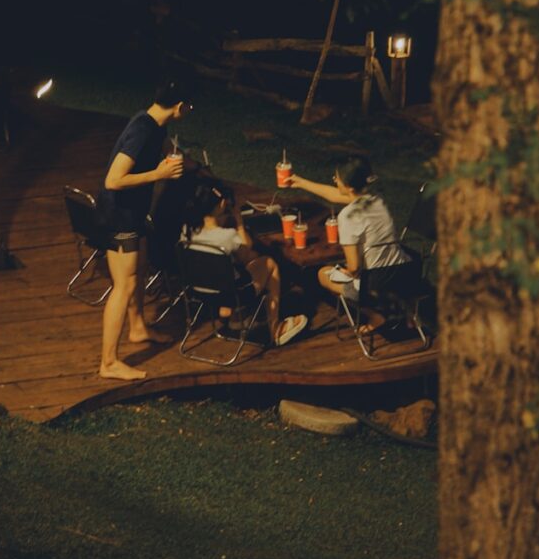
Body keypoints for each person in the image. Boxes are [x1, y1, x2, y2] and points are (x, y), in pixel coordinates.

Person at [97, 78, 193, 381]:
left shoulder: (152, 123)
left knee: (138, 272)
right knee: (123, 286)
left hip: (133, 212)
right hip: (119, 215)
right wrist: (159, 173)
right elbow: (113, 180)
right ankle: (108, 363)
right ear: (179, 106)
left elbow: (159, 152)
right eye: (189, 106)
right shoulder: (142, 130)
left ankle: (138, 328)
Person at [287, 155, 409, 333]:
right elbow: (336, 195)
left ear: (350, 188)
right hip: (403, 273)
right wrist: (301, 182)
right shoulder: (377, 198)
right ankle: (405, 308)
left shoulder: (348, 217)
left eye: (337, 179)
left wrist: (345, 270)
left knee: (323, 274)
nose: (335, 180)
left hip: (376, 285)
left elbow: (354, 267)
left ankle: (375, 315)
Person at [183, 181, 308, 347]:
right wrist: (238, 220)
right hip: (230, 295)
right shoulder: (226, 237)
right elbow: (246, 249)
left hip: (198, 292)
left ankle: (235, 316)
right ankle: (274, 327)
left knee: (244, 263)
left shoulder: (187, 231)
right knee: (269, 263)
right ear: (222, 204)